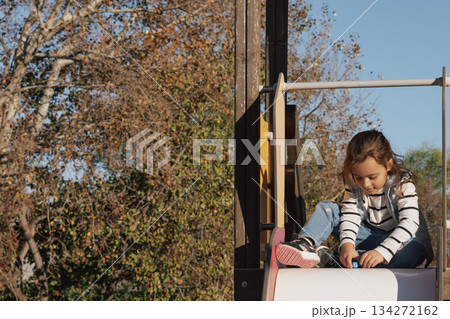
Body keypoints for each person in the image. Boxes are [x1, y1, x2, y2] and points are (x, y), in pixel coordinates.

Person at [276, 130, 433, 269]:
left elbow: (410, 222)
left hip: (399, 242)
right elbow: (350, 215)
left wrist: (382, 251)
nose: (365, 184)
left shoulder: (402, 184)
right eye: (358, 177)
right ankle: (306, 245)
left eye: (372, 177)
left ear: (389, 165)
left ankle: (334, 260)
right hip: (365, 235)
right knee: (327, 209)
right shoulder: (353, 184)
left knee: (413, 253)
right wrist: (347, 245)